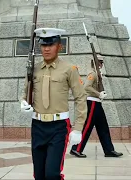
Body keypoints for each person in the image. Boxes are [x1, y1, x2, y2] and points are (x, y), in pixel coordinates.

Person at [21, 28, 87, 180]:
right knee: (39, 175)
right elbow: (25, 92)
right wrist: (23, 102)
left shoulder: (69, 69)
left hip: (59, 127)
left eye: (51, 44)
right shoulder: (34, 69)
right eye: (43, 45)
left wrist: (78, 128)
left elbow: (80, 98)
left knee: (52, 174)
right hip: (37, 126)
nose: (47, 48)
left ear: (59, 46)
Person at [70, 56, 123, 158]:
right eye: (100, 62)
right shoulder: (93, 74)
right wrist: (98, 94)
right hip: (92, 103)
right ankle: (76, 149)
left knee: (103, 127)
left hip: (97, 103)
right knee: (87, 127)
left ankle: (109, 150)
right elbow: (86, 87)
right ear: (96, 63)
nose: (101, 64)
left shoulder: (97, 74)